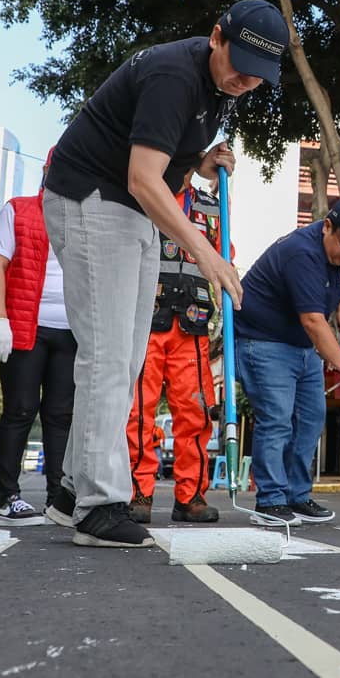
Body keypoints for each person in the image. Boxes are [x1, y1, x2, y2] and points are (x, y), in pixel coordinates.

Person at [41, 0, 289, 548]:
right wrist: (207, 253)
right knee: (108, 356)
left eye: (259, 75)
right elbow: (143, 177)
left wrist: (198, 163)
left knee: (124, 360)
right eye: (240, 63)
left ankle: (69, 490)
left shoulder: (218, 88)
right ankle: (98, 505)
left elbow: (163, 154)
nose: (247, 80)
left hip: (129, 209)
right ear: (216, 36)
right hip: (94, 197)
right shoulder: (175, 74)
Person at [234, 197, 340, 526]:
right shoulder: (302, 253)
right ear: (327, 226)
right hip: (264, 341)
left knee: (311, 420)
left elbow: (335, 283)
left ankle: (297, 495)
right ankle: (269, 501)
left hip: (300, 346)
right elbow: (313, 322)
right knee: (277, 420)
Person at [0, 148, 76, 525]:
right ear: (47, 170)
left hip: (71, 330)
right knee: (20, 411)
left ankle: (58, 498)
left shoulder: (81, 220)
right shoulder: (18, 209)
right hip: (25, 328)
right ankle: (5, 500)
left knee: (61, 416)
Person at [125, 175, 224, 524]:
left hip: (193, 324)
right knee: (138, 413)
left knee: (195, 414)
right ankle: (139, 492)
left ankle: (191, 496)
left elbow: (223, 256)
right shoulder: (142, 192)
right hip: (145, 321)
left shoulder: (211, 205)